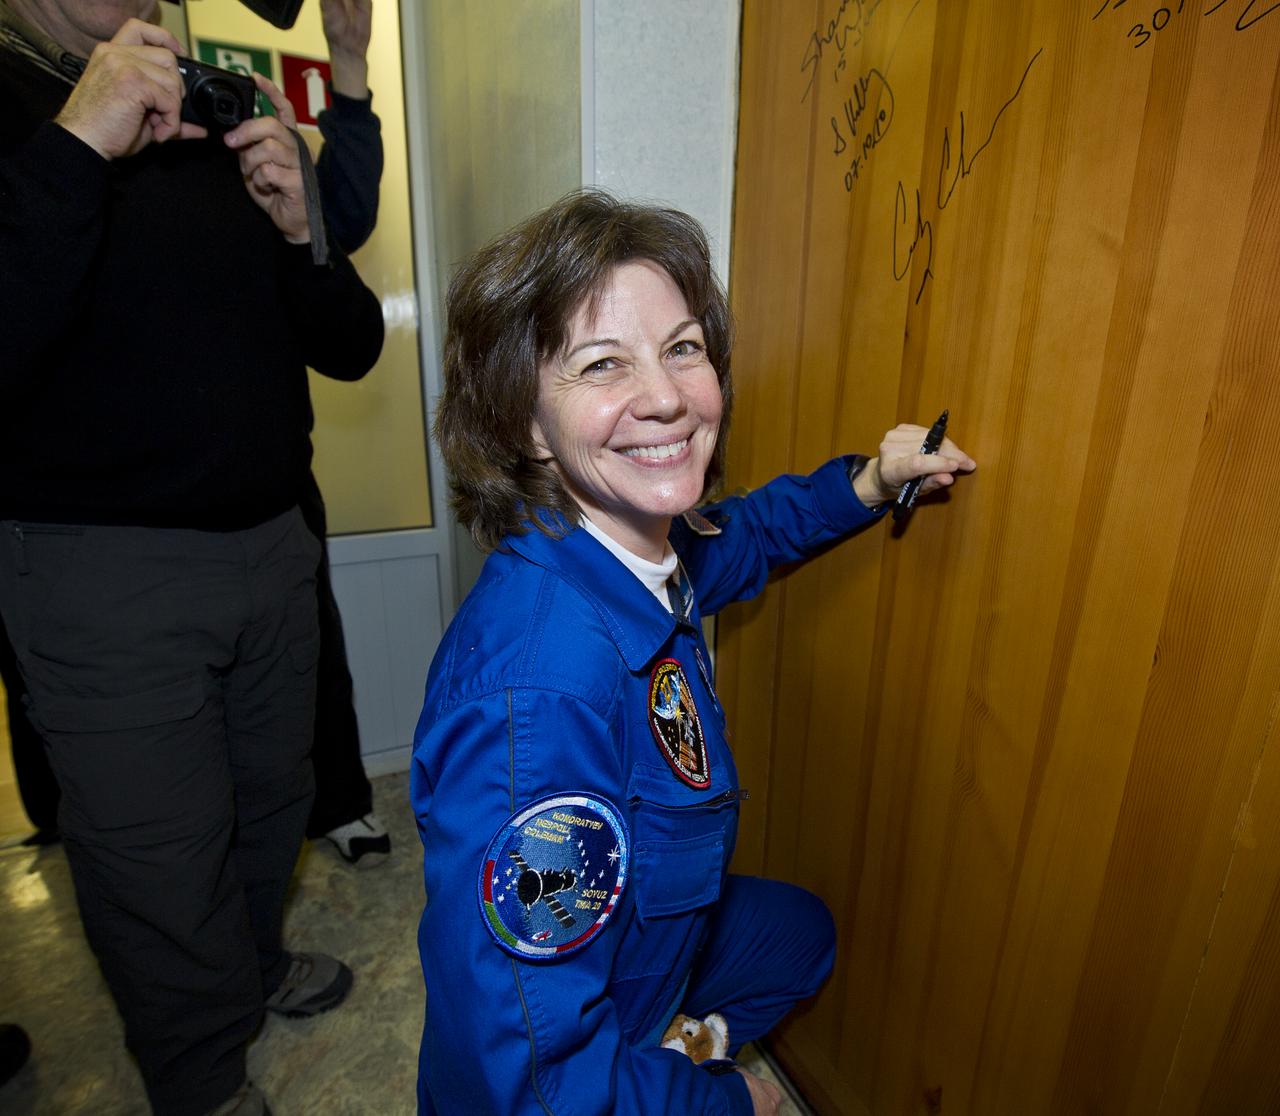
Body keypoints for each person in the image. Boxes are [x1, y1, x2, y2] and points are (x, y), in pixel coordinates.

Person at [411, 190, 976, 1115]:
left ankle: (679, 1040)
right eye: (603, 365)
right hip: (561, 1065)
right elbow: (534, 1084)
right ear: (524, 427)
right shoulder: (539, 699)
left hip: (646, 951)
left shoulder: (621, 552)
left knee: (798, 936)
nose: (668, 396)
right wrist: (728, 1104)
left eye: (682, 348)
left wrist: (871, 483)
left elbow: (740, 538)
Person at [0, 3, 384, 1114]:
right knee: (155, 861)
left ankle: (251, 974)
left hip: (271, 545)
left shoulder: (221, 99)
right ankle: (201, 1074)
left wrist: (298, 220)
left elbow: (350, 342)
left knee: (274, 799)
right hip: (96, 568)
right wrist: (78, 141)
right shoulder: (15, 101)